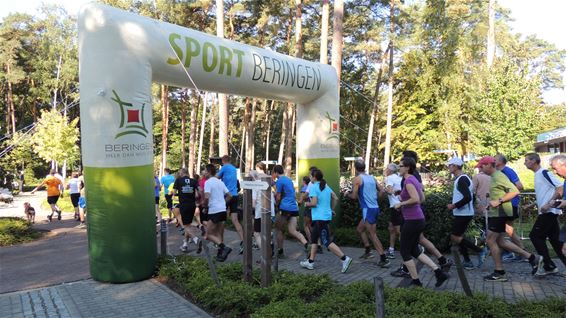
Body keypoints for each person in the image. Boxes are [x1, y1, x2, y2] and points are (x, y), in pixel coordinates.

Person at [476, 156, 541, 282]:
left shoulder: (498, 176)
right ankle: (532, 258)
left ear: (489, 165)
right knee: (500, 241)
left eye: (482, 166)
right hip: (498, 212)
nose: (480, 168)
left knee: (490, 241)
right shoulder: (495, 176)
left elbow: (515, 191)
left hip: (500, 213)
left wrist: (498, 201)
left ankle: (499, 272)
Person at [392, 151, 452, 278]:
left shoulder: (408, 179)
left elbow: (416, 198)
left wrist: (401, 204)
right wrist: (400, 194)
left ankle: (411, 272)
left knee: (407, 247)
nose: (399, 167)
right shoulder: (415, 176)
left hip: (412, 217)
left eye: (401, 165)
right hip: (417, 216)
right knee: (417, 243)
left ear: (408, 165)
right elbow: (421, 196)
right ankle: (439, 265)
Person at [300, 169, 353, 273]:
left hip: (320, 218)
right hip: (323, 217)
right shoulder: (325, 186)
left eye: (310, 176)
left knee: (326, 241)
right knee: (314, 239)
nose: (310, 178)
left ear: (314, 177)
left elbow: (314, 203)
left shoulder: (314, 187)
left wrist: (307, 204)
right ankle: (310, 262)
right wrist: (331, 209)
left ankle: (345, 259)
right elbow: (335, 198)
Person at [524, 153, 566, 275]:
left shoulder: (544, 173)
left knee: (535, 236)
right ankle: (551, 266)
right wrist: (531, 205)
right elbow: (543, 194)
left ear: (534, 161)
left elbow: (560, 187)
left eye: (526, 160)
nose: (525, 163)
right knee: (556, 241)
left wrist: (548, 204)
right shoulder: (538, 175)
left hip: (549, 212)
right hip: (548, 211)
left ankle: (548, 265)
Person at [348, 160, 390, 267]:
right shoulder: (372, 178)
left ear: (355, 168)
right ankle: (368, 251)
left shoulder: (357, 179)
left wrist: (346, 194)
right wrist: (376, 199)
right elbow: (382, 191)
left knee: (372, 235)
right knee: (360, 229)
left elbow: (353, 196)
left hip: (368, 209)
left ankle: (383, 259)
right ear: (364, 167)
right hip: (374, 208)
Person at [446, 158, 486, 270]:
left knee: (455, 237)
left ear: (455, 166)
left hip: (463, 214)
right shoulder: (462, 178)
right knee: (459, 237)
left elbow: (468, 197)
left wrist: (454, 205)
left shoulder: (462, 180)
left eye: (449, 165)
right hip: (463, 213)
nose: (448, 167)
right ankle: (467, 261)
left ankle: (480, 251)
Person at [494, 154, 526, 261]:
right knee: (508, 230)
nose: (493, 160)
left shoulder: (508, 171)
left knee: (507, 231)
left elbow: (520, 186)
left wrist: (505, 193)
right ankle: (521, 252)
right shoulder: (497, 172)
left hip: (510, 204)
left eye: (495, 159)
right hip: (504, 204)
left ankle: (521, 252)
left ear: (501, 162)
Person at [273, 164, 309, 257]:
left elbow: (278, 196)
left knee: (279, 229)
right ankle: (306, 244)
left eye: (274, 172)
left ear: (276, 172)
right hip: (294, 208)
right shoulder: (289, 179)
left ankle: (280, 251)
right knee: (293, 231)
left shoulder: (279, 181)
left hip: (285, 208)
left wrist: (276, 205)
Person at [203, 163, 233, 262]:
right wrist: (223, 203)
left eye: (204, 170)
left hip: (214, 210)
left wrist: (205, 206)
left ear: (208, 172)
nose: (203, 172)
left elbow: (207, 197)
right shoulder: (220, 182)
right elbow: (230, 195)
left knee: (208, 234)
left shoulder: (208, 182)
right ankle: (221, 255)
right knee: (219, 233)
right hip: (222, 210)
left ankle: (224, 247)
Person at [217, 155, 244, 254]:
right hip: (235, 196)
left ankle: (221, 243)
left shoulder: (224, 167)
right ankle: (243, 241)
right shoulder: (233, 168)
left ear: (224, 160)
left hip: (226, 196)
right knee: (235, 220)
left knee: (222, 221)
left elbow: (216, 178)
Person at [173, 168, 202, 253]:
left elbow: (174, 193)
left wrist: (180, 193)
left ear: (182, 173)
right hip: (192, 205)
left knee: (185, 226)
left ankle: (195, 239)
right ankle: (185, 245)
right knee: (188, 225)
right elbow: (200, 191)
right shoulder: (193, 181)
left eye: (180, 173)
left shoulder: (178, 180)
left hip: (184, 205)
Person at [249, 167, 275, 254]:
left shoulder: (255, 185)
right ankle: (270, 248)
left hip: (260, 212)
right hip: (271, 211)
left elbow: (253, 204)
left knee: (256, 234)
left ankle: (265, 254)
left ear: (252, 178)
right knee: (266, 232)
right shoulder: (265, 183)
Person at [384, 163, 402, 259]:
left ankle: (412, 248)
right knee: (391, 228)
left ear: (389, 170)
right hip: (399, 205)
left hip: (396, 207)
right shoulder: (398, 177)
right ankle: (391, 250)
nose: (385, 170)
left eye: (386, 168)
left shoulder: (389, 178)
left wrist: (383, 190)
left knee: (399, 231)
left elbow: (390, 191)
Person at [298, 176, 312, 243]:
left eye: (301, 180)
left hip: (308, 208)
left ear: (304, 181)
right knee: (310, 225)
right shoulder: (311, 187)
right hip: (313, 208)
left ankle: (310, 241)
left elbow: (300, 201)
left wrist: (297, 203)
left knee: (305, 225)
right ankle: (317, 241)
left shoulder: (304, 188)